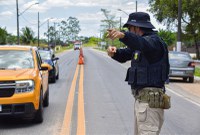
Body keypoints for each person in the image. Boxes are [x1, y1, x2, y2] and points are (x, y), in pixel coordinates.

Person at [107, 12, 170, 135]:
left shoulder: (154, 42)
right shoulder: (141, 45)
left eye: (130, 28)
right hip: (142, 102)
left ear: (136, 27)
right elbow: (126, 54)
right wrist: (114, 53)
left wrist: (124, 36)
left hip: (149, 104)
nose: (129, 31)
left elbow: (141, 43)